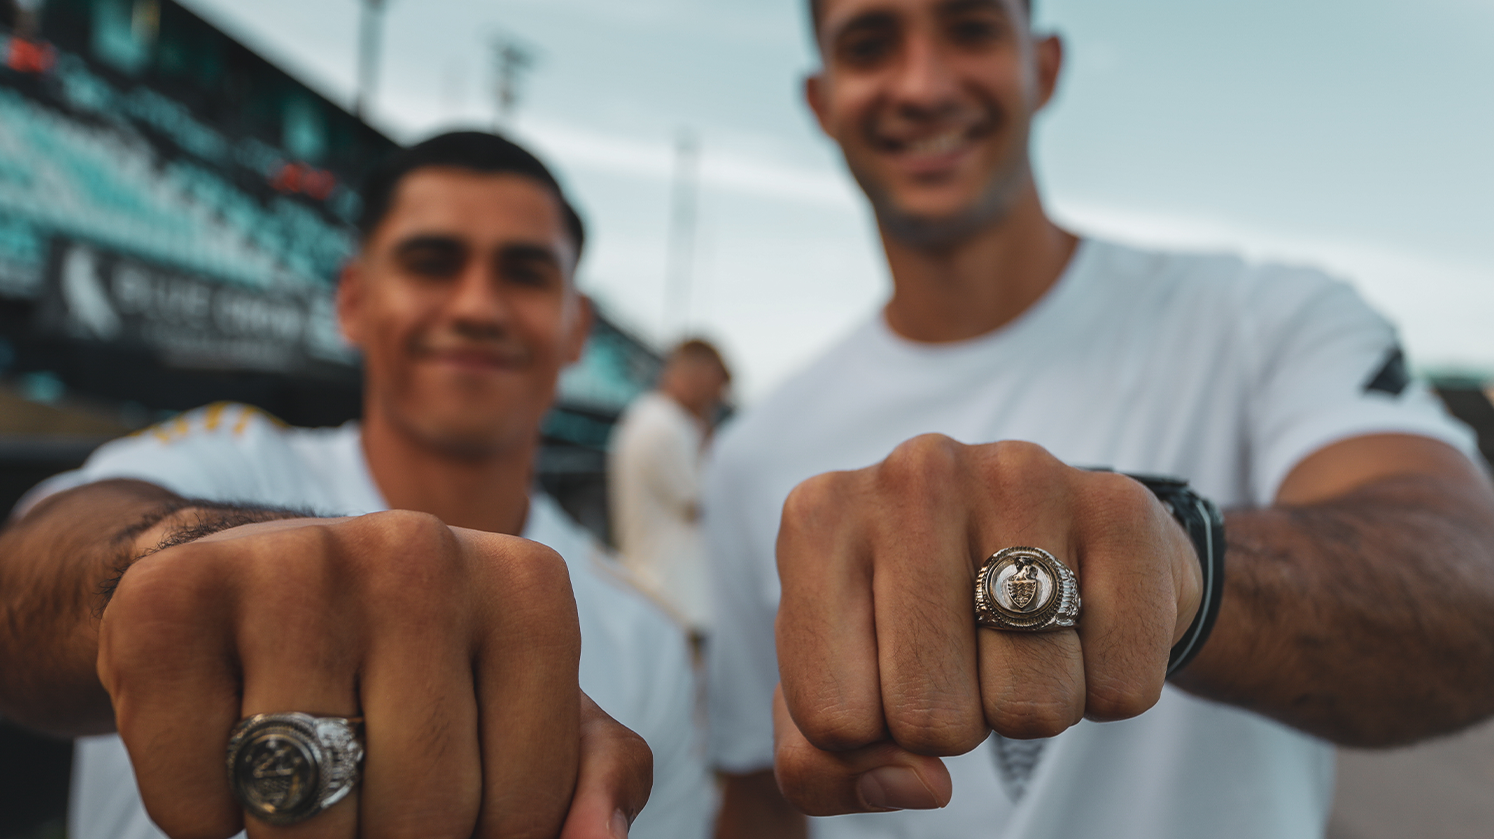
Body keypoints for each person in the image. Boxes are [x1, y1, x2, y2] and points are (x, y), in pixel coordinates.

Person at [703, 1, 1494, 838]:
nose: (924, 84)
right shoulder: (756, 456)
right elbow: (757, 789)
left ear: (1043, 67)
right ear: (821, 100)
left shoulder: (1266, 318)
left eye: (970, 28)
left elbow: (1468, 579)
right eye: (870, 45)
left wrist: (1182, 566)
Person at [0, 132, 712, 839]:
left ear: (577, 328)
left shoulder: (646, 637)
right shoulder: (228, 457)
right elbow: (26, 584)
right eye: (431, 263)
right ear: (353, 300)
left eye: (525, 274)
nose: (476, 306)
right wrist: (195, 563)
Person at [609, 339, 731, 641]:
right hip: (672, 600)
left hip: (663, 595)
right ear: (698, 378)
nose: (715, 402)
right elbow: (705, 503)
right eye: (714, 391)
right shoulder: (665, 426)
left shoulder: (653, 418)